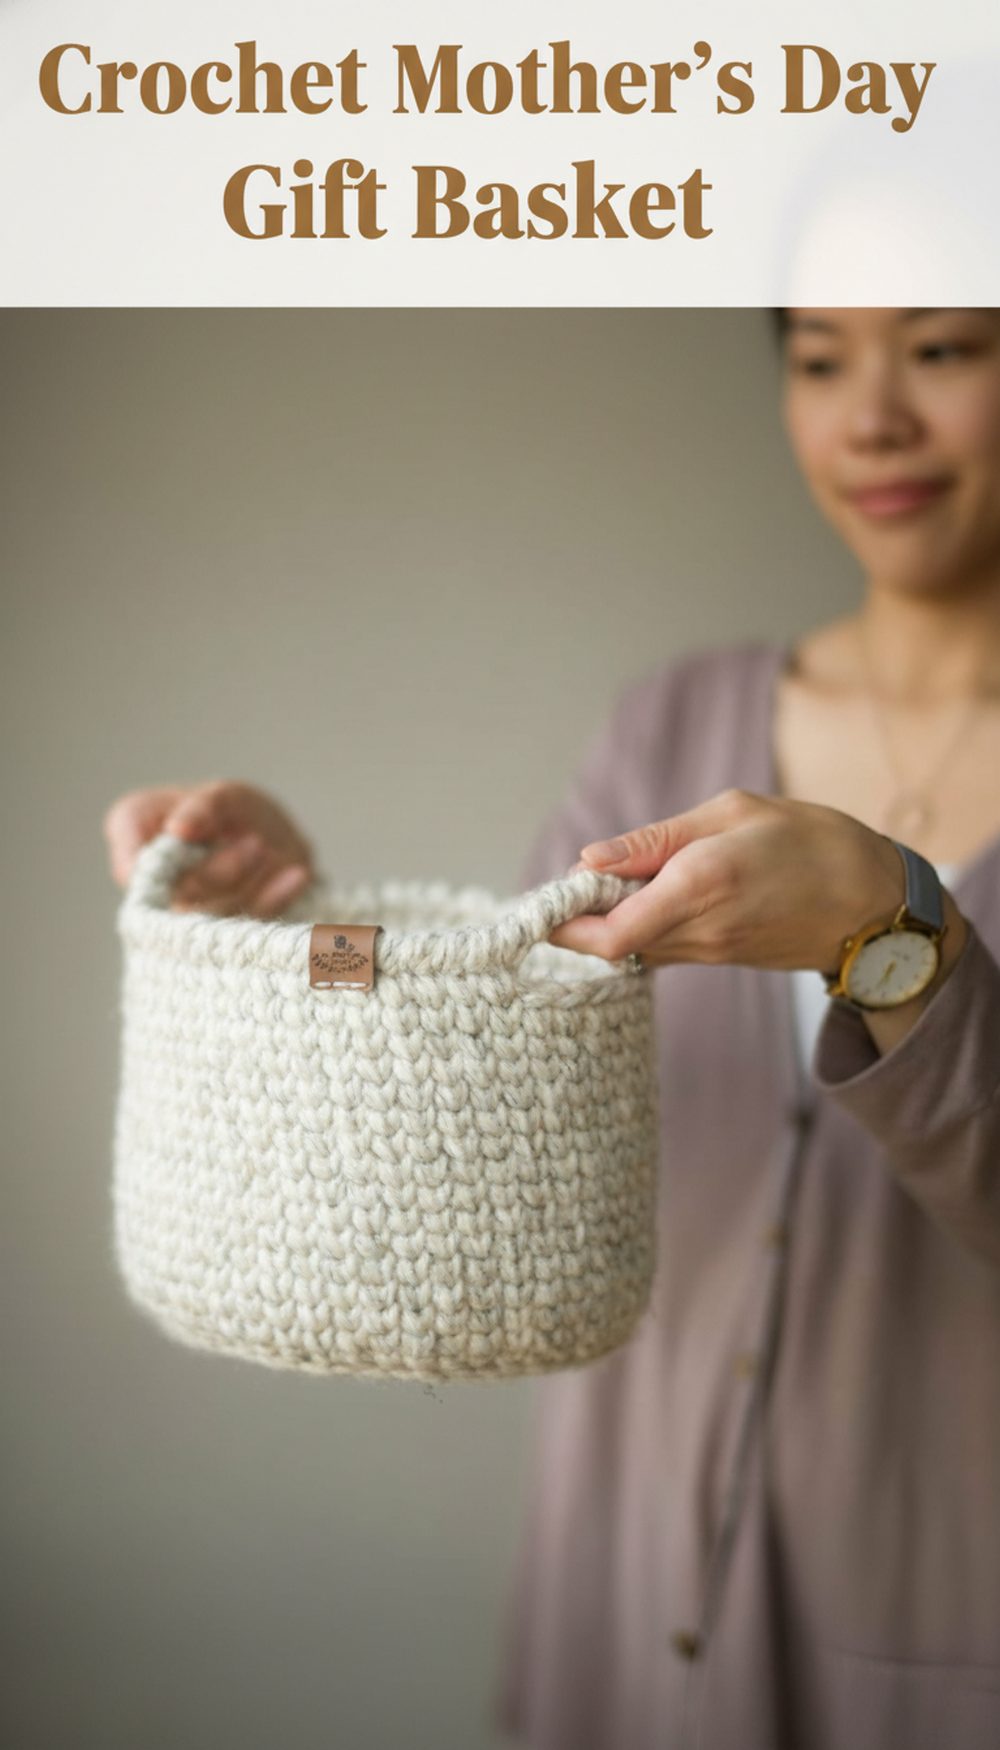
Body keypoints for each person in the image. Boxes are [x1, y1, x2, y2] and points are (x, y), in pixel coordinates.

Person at [103, 309, 1000, 1750]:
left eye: (946, 349)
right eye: (821, 357)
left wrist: (890, 932)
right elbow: (494, 1014)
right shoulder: (671, 726)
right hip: (626, 1616)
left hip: (939, 1631)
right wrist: (292, 912)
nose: (872, 418)